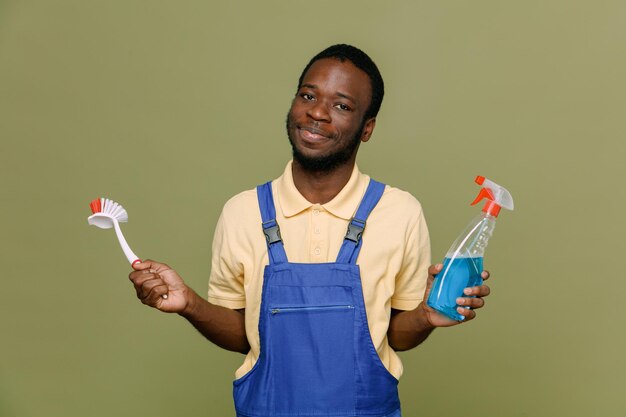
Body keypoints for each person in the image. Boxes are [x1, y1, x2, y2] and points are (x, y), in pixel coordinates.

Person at [129, 44, 491, 417]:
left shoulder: (399, 212)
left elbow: (391, 334)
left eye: (342, 106)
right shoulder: (243, 212)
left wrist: (426, 316)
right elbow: (244, 334)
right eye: (308, 95)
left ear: (367, 128)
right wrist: (189, 303)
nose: (317, 112)